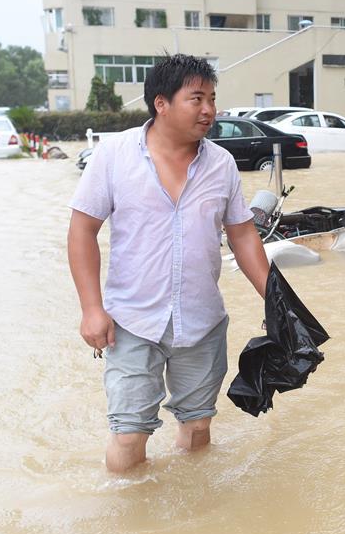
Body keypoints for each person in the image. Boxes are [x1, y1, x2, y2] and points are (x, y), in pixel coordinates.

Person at [67, 54, 269, 473]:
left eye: (212, 98)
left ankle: (192, 501)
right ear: (161, 103)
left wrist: (277, 301)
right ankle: (126, 510)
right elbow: (82, 230)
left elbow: (243, 234)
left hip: (201, 320)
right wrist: (91, 309)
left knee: (197, 427)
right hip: (131, 321)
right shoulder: (115, 155)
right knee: (128, 435)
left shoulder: (221, 164)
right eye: (197, 99)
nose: (209, 110)